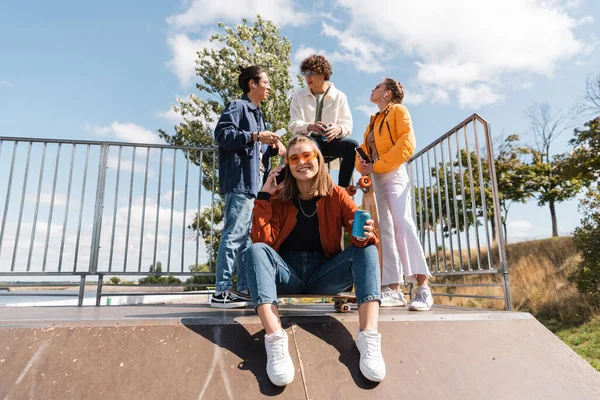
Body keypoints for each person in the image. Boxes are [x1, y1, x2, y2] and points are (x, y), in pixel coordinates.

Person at [245, 135, 385, 386]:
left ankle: (369, 337)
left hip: (324, 274)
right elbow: (262, 242)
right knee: (254, 251)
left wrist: (365, 234)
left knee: (369, 251)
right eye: (294, 158)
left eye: (307, 155)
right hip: (286, 274)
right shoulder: (277, 197)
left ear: (319, 160)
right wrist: (265, 196)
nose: (301, 162)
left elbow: (362, 236)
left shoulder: (337, 195)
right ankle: (275, 339)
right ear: (287, 164)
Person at [355, 78, 434, 311]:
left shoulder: (399, 111)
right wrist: (363, 164)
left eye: (377, 86)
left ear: (387, 93)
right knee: (385, 231)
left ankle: (423, 289)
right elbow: (363, 153)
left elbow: (407, 143)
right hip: (377, 177)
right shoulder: (373, 121)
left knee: (403, 224)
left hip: (394, 173)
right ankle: (394, 290)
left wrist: (377, 166)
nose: (372, 88)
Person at [212, 65, 286, 308]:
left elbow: (257, 150)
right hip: (240, 182)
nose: (268, 86)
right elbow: (223, 136)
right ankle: (221, 291)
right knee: (234, 234)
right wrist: (255, 136)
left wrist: (271, 146)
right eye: (265, 82)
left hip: (253, 185)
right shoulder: (237, 106)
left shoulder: (258, 114)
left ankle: (243, 289)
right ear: (252, 84)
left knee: (246, 240)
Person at [288, 55, 357, 188]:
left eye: (311, 73)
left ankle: (343, 188)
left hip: (330, 142)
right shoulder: (298, 96)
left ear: (323, 73)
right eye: (305, 73)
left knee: (352, 145)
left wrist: (338, 129)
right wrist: (309, 126)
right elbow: (293, 124)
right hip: (307, 142)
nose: (307, 77)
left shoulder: (339, 96)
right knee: (300, 147)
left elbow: (347, 124)